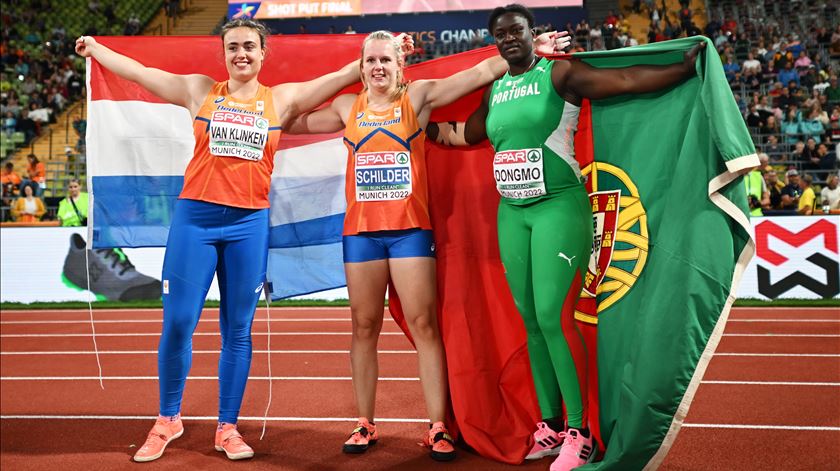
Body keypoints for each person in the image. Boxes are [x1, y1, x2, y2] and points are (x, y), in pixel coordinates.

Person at [76, 18, 370, 462]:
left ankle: (227, 428)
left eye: (249, 46)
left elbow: (338, 78)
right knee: (178, 323)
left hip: (248, 226)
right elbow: (140, 73)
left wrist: (381, 51)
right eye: (233, 47)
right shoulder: (200, 90)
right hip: (195, 220)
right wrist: (97, 49)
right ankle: (168, 420)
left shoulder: (282, 98)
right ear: (224, 52)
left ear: (263, 52)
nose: (242, 54)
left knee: (238, 329)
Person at [424, 4, 704, 470]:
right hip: (512, 213)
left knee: (555, 317)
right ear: (495, 41)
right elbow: (460, 135)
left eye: (517, 31)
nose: (509, 38)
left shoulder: (561, 75)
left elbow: (628, 81)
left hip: (559, 207)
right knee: (530, 320)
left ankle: (581, 433)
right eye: (501, 33)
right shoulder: (495, 91)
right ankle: (551, 427)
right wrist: (411, 123)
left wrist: (683, 67)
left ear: (534, 35)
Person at [286, 28, 569, 462]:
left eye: (385, 60)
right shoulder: (347, 107)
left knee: (425, 326)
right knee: (364, 328)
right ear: (360, 68)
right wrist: (346, 70)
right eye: (370, 61)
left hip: (409, 233)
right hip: (361, 235)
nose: (378, 67)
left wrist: (532, 48)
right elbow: (289, 114)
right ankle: (364, 422)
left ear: (400, 67)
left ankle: (438, 426)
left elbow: (480, 72)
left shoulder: (415, 98)